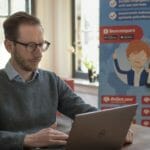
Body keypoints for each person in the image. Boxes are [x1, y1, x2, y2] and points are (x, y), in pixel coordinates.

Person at [0, 12, 133, 150]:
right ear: (9, 46)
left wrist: (113, 126)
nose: (39, 53)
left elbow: (82, 110)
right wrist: (27, 140)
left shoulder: (52, 80)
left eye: (41, 45)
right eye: (31, 46)